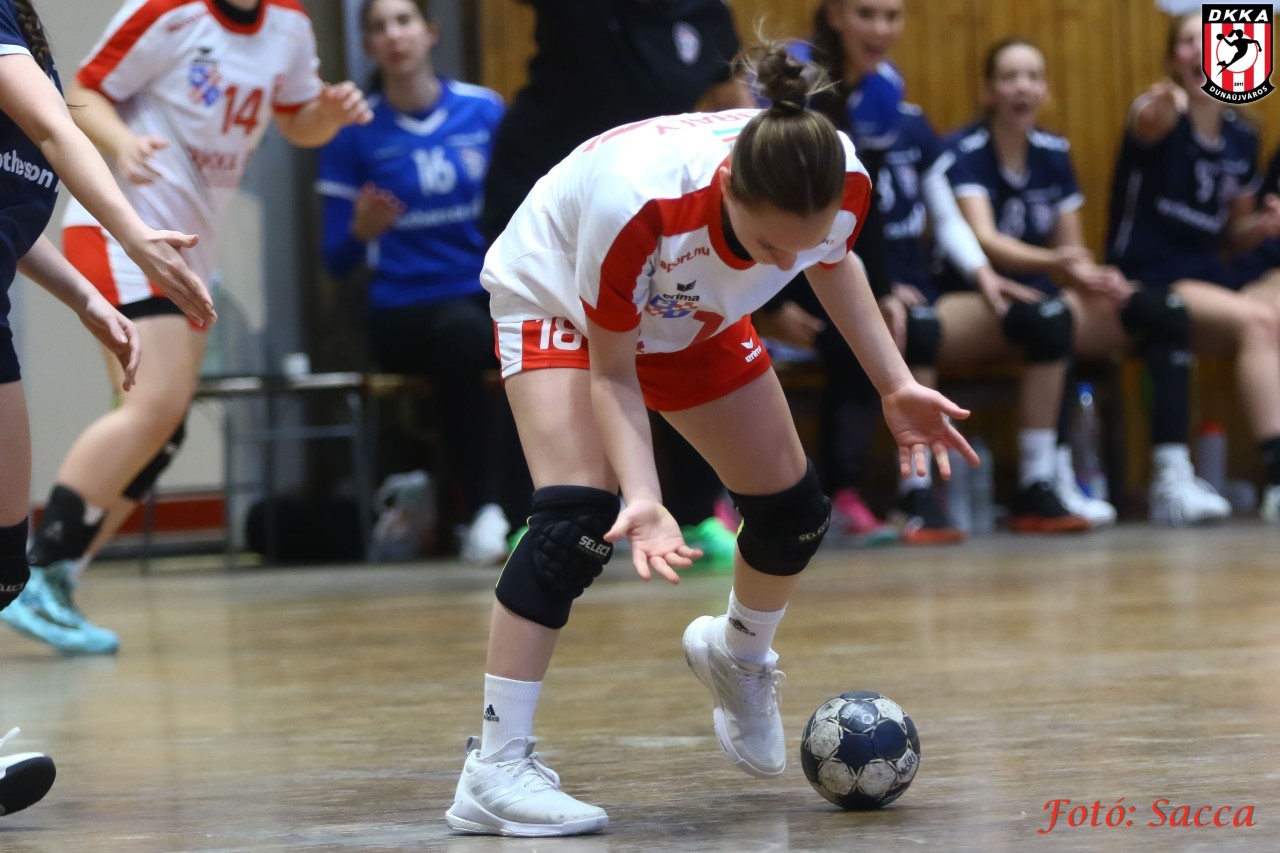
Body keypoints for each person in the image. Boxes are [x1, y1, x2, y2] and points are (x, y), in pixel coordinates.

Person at [443, 43, 977, 837]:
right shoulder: (637, 203)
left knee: (793, 512)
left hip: (688, 306)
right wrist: (645, 496)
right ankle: (494, 768)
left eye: (799, 244)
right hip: (560, 297)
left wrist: (893, 384)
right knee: (572, 522)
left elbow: (833, 263)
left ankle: (738, 655)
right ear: (729, 188)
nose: (786, 262)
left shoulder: (840, 176)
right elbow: (613, 371)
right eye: (769, 247)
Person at [2, 0, 372, 657]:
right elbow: (83, 95)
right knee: (155, 407)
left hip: (185, 246)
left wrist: (331, 115)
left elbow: (299, 122)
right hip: (127, 232)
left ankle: (59, 573)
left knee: (164, 425)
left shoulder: (289, 24)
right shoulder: (167, 12)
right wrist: (125, 145)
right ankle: (42, 566)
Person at [1, 0, 211, 811]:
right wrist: (132, 232)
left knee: (4, 562)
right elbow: (57, 129)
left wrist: (85, 297)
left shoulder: (25, 34)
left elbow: (11, 207)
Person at [481, 0, 756, 564]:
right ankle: (533, 514)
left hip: (651, 200)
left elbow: (731, 96)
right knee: (551, 353)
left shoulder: (705, 12)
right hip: (550, 196)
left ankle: (695, 512)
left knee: (680, 333)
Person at [939, 37, 1230, 528]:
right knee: (1054, 318)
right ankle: (1048, 477)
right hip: (984, 294)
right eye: (1009, 77)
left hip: (1046, 290)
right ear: (988, 90)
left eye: (1033, 77)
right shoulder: (965, 150)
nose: (1022, 88)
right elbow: (984, 239)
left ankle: (1171, 477)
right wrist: (1056, 262)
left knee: (1163, 311)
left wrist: (1094, 276)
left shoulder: (1053, 151)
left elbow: (1071, 249)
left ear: (1046, 89)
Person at [317, 0, 522, 564]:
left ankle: (558, 504)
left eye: (404, 21)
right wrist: (360, 231)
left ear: (431, 32)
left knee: (532, 335)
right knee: (463, 335)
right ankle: (484, 510)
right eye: (379, 27)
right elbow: (335, 261)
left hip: (484, 294)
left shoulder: (483, 110)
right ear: (368, 45)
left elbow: (521, 210)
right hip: (402, 310)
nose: (394, 35)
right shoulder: (353, 132)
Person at [1107, 14, 1280, 522]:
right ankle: (1277, 478)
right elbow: (1147, 119)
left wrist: (1265, 226)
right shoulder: (1159, 111)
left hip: (1208, 272)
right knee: (1258, 321)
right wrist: (1162, 107)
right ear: (1171, 59)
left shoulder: (1242, 136)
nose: (1203, 49)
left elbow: (1234, 233)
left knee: (1273, 301)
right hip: (1151, 273)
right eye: (1189, 41)